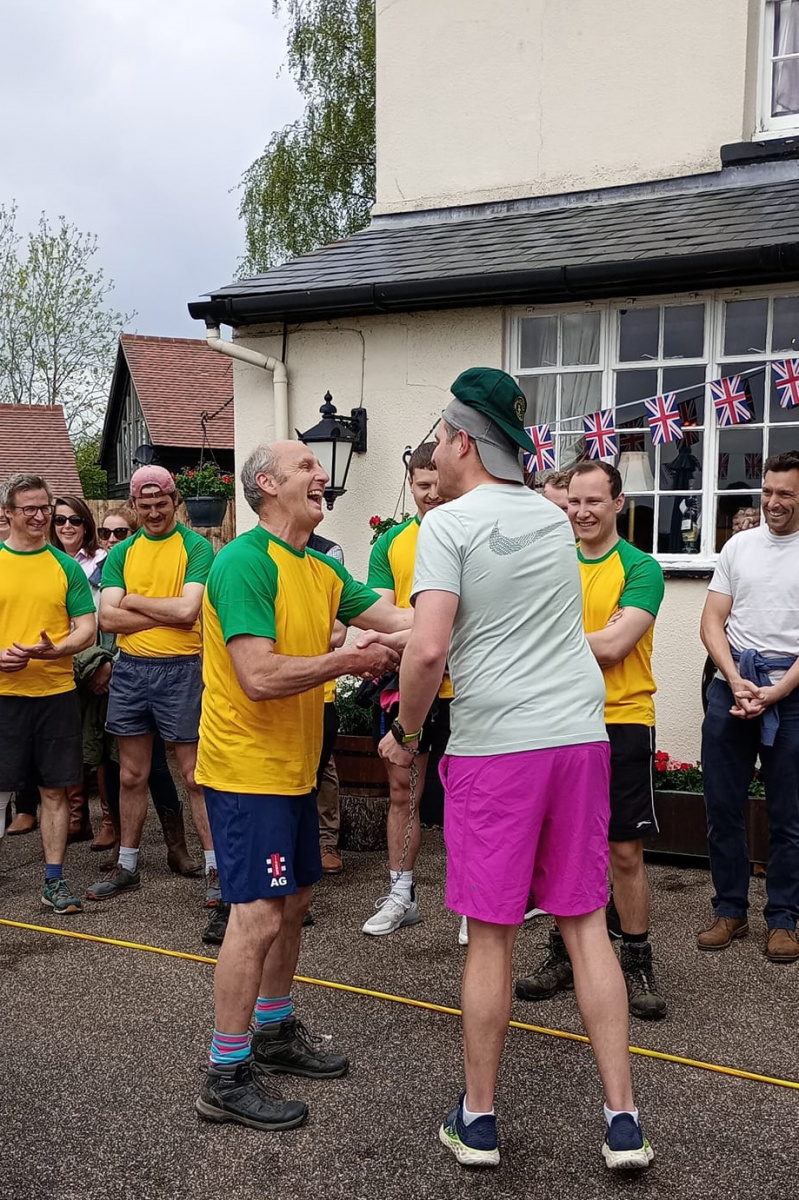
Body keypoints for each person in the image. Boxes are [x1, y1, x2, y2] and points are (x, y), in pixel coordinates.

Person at [378, 368, 653, 1172]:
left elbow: (429, 647)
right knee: (584, 923)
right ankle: (623, 1122)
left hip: (499, 746)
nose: (434, 448)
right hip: (577, 736)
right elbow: (503, 619)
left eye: (440, 435)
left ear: (464, 441)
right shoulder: (549, 515)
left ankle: (479, 1121)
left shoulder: (447, 524)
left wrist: (405, 732)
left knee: (491, 934)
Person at [194, 439, 412, 1133]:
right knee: (257, 914)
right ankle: (225, 1076)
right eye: (307, 467)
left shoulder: (319, 567)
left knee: (292, 904)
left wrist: (480, 605)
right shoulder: (243, 563)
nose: (323, 475)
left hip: (293, 768)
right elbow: (258, 676)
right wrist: (346, 658)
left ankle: (274, 1030)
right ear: (266, 484)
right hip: (247, 771)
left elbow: (402, 621)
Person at [516, 460, 666, 1020]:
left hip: (621, 719)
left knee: (623, 850)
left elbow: (614, 646)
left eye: (593, 502)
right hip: (559, 720)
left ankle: (636, 960)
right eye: (573, 502)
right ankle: (563, 953)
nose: (581, 513)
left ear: (618, 503)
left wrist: (540, 642)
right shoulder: (550, 562)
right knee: (565, 848)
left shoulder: (640, 568)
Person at [87, 466, 216, 911]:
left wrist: (134, 600)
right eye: (146, 506)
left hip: (182, 668)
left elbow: (188, 612)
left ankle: (217, 869)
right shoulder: (123, 552)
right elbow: (107, 619)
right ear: (135, 506)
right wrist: (161, 611)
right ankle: (127, 865)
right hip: (131, 670)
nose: (155, 512)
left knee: (195, 775)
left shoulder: (196, 547)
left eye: (162, 503)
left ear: (176, 501)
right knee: (130, 774)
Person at [698, 450, 799, 963]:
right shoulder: (738, 546)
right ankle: (730, 909)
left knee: (790, 815)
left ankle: (783, 919)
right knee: (721, 807)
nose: (773, 502)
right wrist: (736, 680)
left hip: (792, 695)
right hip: (731, 688)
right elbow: (711, 621)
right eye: (767, 492)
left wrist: (776, 692)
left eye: (786, 494)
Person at [362, 441, 452, 936]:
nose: (432, 495)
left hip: (466, 687)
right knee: (403, 792)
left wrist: (416, 625)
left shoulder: (471, 531)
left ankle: (472, 904)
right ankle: (401, 894)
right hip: (411, 682)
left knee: (469, 799)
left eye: (439, 485)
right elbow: (380, 612)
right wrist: (427, 628)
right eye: (422, 487)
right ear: (411, 484)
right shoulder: (391, 543)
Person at [0, 473, 96, 913]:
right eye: (30, 509)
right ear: (8, 513)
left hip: (56, 694)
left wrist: (56, 649)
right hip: (4, 696)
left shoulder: (66, 566)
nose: (40, 516)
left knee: (55, 791)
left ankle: (54, 881)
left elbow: (88, 628)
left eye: (45, 508)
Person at [49, 494, 107, 843]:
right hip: (57, 662)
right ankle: (76, 816)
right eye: (60, 520)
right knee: (65, 742)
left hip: (95, 657)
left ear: (86, 524)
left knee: (99, 742)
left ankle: (109, 821)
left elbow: (108, 619)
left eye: (75, 520)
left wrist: (106, 662)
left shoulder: (103, 561)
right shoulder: (46, 561)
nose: (67, 526)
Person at [308, 530, 346, 876]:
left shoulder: (327, 553)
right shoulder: (252, 553)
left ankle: (325, 840)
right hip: (279, 690)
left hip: (320, 687)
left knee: (323, 766)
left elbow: (337, 632)